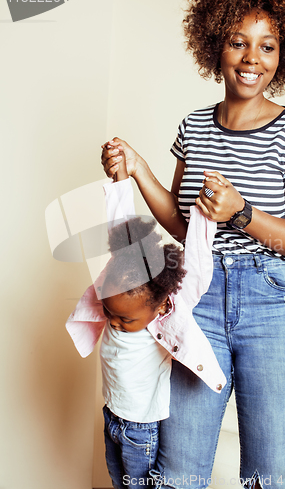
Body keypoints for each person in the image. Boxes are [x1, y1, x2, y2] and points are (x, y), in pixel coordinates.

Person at [100, 0, 285, 488]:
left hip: (273, 306)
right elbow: (185, 226)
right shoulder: (195, 126)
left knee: (269, 476)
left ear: (283, 54)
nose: (252, 59)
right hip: (196, 302)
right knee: (178, 473)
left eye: (267, 47)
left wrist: (242, 212)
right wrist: (138, 171)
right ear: (215, 46)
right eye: (238, 42)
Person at [66, 160, 226, 489]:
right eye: (109, 312)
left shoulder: (168, 312)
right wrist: (121, 179)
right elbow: (122, 228)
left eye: (125, 319)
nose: (114, 323)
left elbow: (196, 260)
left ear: (161, 306)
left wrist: (205, 207)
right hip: (112, 415)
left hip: (141, 429)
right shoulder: (120, 282)